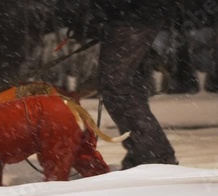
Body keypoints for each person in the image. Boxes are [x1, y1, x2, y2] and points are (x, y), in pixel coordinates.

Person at [59, 0, 179, 169]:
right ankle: (144, 153)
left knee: (115, 86)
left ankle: (155, 155)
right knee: (125, 85)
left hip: (132, 15)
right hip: (134, 14)